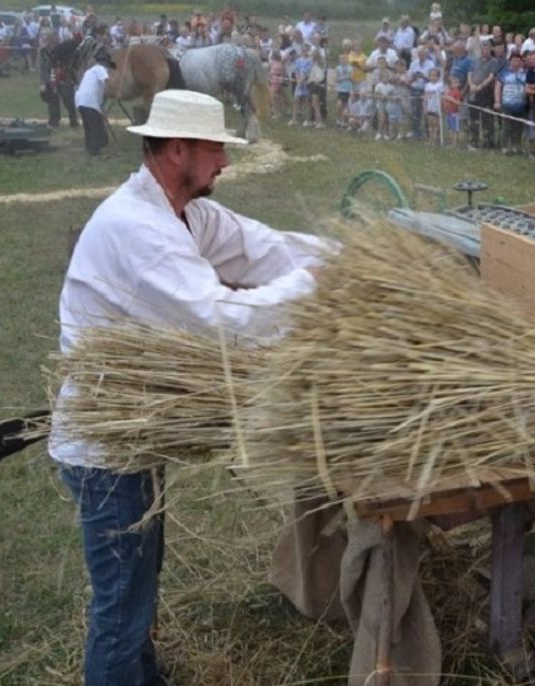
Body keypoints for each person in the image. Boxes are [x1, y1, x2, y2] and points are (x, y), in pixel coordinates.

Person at [51, 90, 330, 686]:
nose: (224, 163)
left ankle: (140, 677)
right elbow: (220, 321)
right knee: (121, 606)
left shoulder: (185, 212)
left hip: (135, 437)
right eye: (215, 150)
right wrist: (308, 288)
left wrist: (348, 260)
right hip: (105, 447)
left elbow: (263, 247)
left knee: (139, 584)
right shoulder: (138, 229)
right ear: (177, 149)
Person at [75, 48, 112, 156]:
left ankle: (90, 147)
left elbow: (97, 88)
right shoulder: (100, 69)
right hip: (89, 101)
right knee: (97, 127)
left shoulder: (89, 71)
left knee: (89, 126)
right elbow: (107, 81)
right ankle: (95, 150)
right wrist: (115, 91)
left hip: (81, 100)